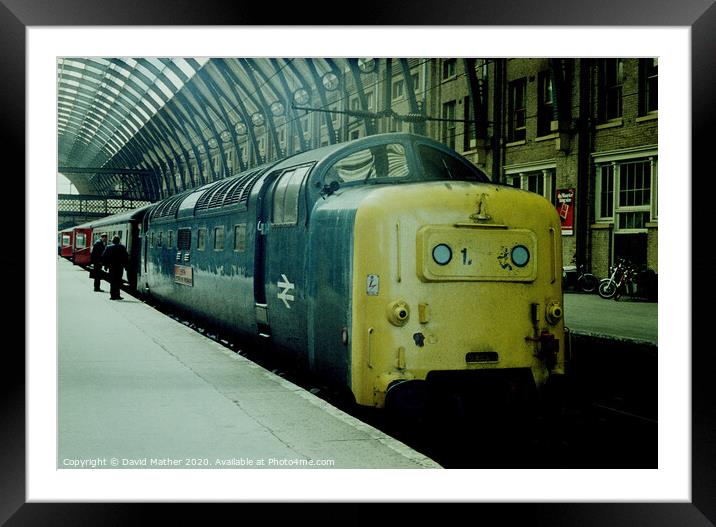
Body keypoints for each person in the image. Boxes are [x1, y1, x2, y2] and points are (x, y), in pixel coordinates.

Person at [102, 235, 129, 300]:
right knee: (118, 281)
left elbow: (104, 257)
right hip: (119, 267)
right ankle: (117, 295)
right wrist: (126, 266)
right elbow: (126, 257)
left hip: (112, 267)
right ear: (119, 241)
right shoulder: (122, 247)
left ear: (112, 241)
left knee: (112, 281)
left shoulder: (108, 247)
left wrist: (105, 266)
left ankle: (112, 295)